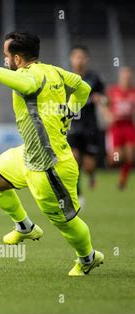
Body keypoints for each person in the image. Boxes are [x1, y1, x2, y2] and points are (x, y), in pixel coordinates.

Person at [0, 31, 103, 276]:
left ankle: (87, 257)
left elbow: (27, 84)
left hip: (50, 166)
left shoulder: (29, 78)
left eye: (6, 56)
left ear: (16, 59)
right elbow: (83, 87)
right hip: (28, 154)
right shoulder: (53, 70)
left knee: (65, 222)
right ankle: (25, 226)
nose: (5, 60)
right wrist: (71, 110)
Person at [67, 46, 106, 204]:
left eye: (82, 57)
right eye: (76, 57)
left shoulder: (94, 78)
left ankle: (91, 174)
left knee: (89, 165)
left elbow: (105, 98)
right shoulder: (66, 78)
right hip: (72, 126)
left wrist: (100, 100)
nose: (79, 60)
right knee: (74, 160)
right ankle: (78, 195)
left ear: (86, 59)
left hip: (90, 126)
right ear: (71, 59)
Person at [104, 66, 135, 190]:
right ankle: (108, 160)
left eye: (128, 76)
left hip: (128, 126)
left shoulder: (133, 92)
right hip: (116, 127)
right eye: (124, 76)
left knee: (130, 156)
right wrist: (108, 115)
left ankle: (123, 179)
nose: (126, 78)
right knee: (117, 157)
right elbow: (104, 105)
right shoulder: (112, 91)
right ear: (120, 77)